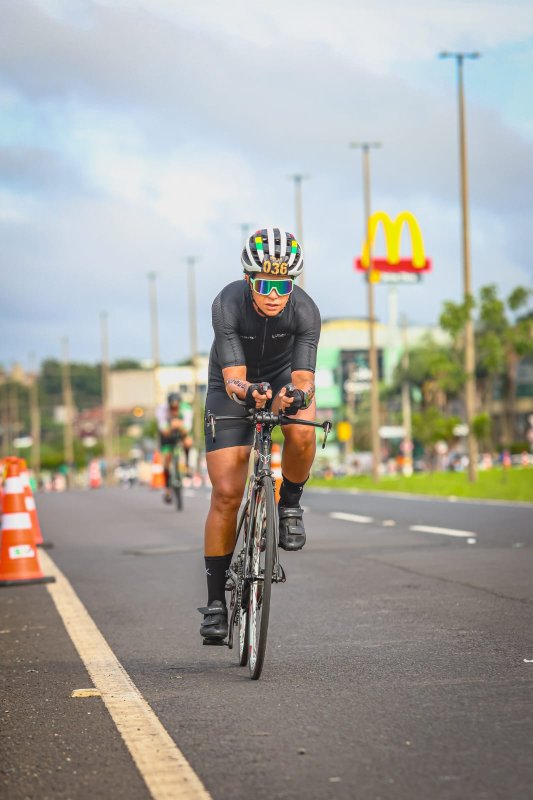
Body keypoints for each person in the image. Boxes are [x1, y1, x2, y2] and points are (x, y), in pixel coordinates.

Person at [198, 227, 321, 641]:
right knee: (227, 493)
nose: (274, 293)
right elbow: (234, 379)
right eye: (265, 284)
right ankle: (216, 603)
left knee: (303, 431)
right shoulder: (227, 303)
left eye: (283, 284)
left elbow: (305, 377)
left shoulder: (305, 311)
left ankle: (289, 505)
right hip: (232, 385)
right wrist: (252, 393)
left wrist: (298, 395)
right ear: (250, 280)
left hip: (283, 375)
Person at [156, 392, 193, 503]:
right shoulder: (162, 410)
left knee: (188, 442)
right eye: (172, 408)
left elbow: (187, 429)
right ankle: (167, 488)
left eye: (176, 408)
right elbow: (163, 430)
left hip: (181, 431)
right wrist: (172, 425)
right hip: (167, 434)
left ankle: (187, 466)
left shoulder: (186, 409)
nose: (174, 410)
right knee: (167, 459)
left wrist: (179, 425)